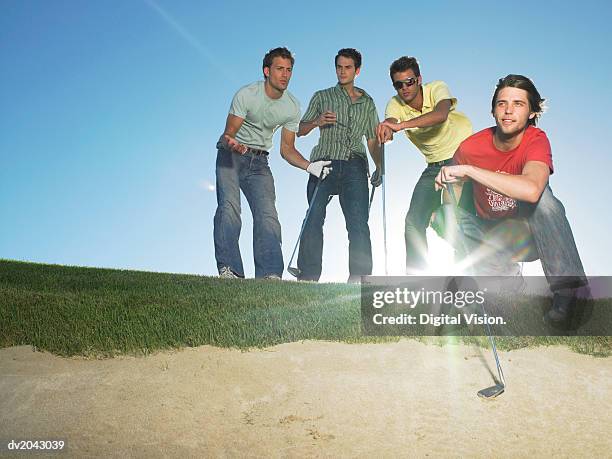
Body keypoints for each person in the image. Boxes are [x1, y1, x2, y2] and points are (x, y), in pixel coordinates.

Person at [434, 74, 588, 323]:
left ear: (531, 112)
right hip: (490, 236)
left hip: (528, 235)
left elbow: (532, 190)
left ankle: (569, 294)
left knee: (545, 202)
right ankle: (505, 282)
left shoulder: (536, 140)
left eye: (518, 104)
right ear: (493, 110)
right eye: (501, 103)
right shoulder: (470, 148)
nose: (508, 111)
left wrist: (470, 171)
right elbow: (454, 197)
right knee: (444, 215)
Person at [214, 47, 331, 279]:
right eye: (279, 69)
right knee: (229, 208)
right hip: (230, 155)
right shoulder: (247, 94)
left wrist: (310, 166)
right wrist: (234, 144)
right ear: (267, 71)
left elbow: (286, 149)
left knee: (268, 215)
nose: (285, 75)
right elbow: (228, 134)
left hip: (259, 163)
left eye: (289, 70)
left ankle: (270, 275)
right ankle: (230, 270)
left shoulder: (291, 106)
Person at [376, 56, 473, 274]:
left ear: (419, 79)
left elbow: (440, 115)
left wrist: (402, 126)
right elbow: (391, 121)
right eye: (398, 85)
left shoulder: (437, 87)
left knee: (457, 219)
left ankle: (473, 274)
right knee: (413, 222)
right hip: (433, 167)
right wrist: (388, 128)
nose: (404, 88)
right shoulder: (395, 103)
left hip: (464, 158)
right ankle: (417, 281)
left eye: (409, 81)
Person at [295, 48, 382, 283]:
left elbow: (372, 139)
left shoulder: (368, 102)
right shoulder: (322, 96)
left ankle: (359, 280)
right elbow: (300, 130)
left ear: (357, 70)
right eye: (339, 67)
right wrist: (317, 121)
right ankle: (308, 277)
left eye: (348, 67)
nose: (342, 72)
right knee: (314, 217)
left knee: (358, 224)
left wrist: (379, 166)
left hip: (355, 166)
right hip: (325, 162)